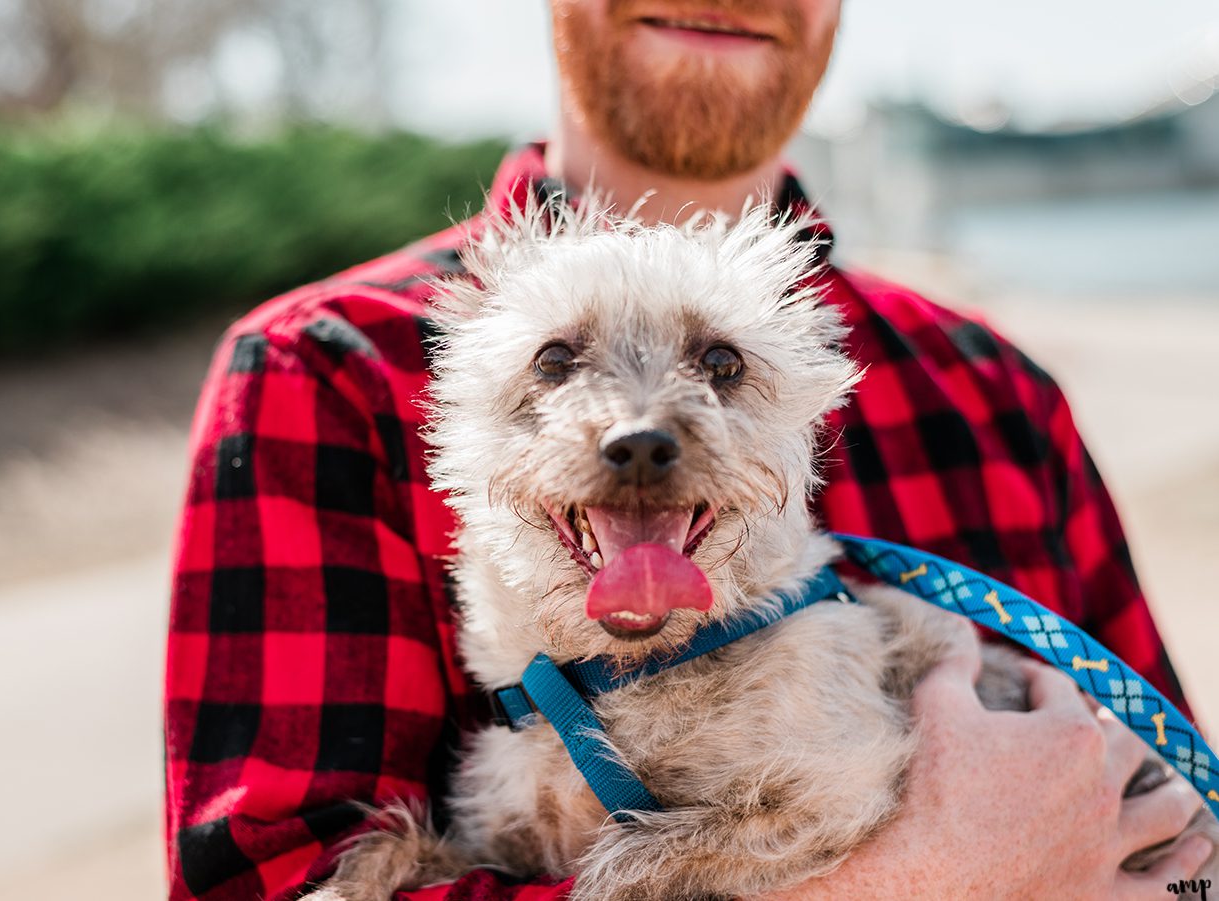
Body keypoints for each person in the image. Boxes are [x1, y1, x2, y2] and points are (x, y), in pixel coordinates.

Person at [163, 2, 1211, 898]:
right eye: (559, 361)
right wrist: (917, 876)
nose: (641, 431)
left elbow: (1192, 824)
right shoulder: (324, 372)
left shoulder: (999, 393)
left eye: (719, 367)